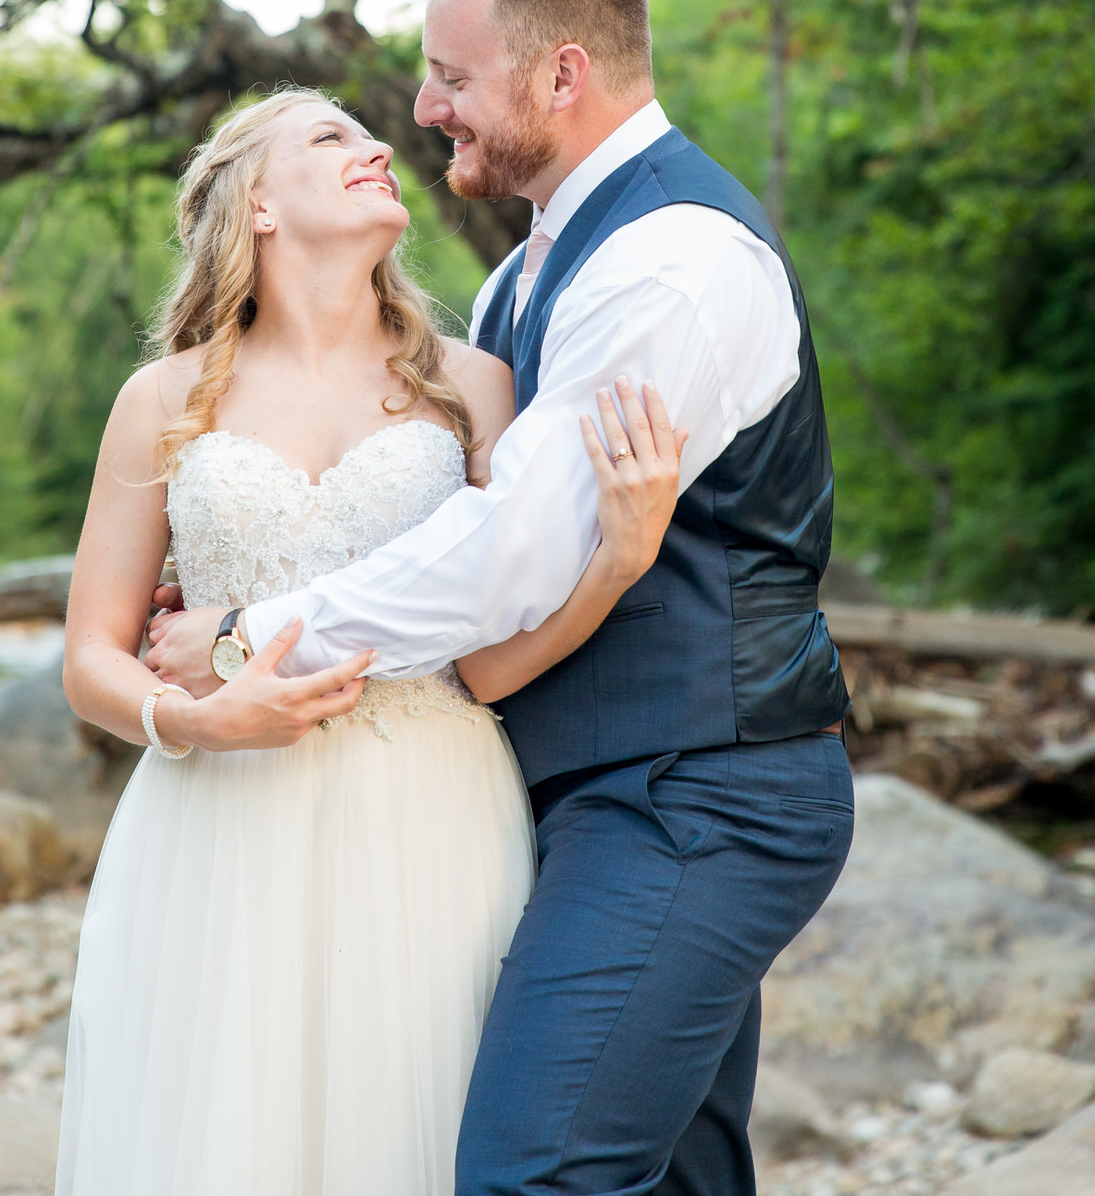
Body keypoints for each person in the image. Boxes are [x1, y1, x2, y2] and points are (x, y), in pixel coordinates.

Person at [147, 0, 854, 1196]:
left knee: (539, 1172)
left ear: (560, 75)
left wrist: (251, 635)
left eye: (452, 78)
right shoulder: (524, 277)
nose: (423, 110)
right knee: (675, 1177)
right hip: (578, 784)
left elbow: (507, 554)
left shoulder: (670, 261)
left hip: (693, 786)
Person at [55, 85, 686, 1196]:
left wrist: (617, 562)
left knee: (418, 1124)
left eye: (368, 134)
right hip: (218, 820)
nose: (380, 144)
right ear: (257, 203)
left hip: (430, 810)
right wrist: (195, 717)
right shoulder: (161, 398)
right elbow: (90, 657)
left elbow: (491, 661)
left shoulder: (473, 384)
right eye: (329, 135)